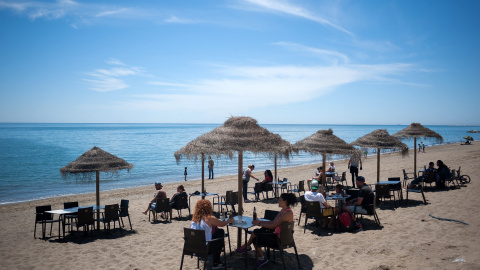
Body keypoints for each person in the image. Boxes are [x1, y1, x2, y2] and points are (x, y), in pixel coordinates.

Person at [235, 193, 297, 268]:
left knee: (256, 233)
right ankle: (256, 254)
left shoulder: (288, 213)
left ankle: (250, 249)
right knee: (256, 235)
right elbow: (273, 222)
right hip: (277, 236)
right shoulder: (283, 211)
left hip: (280, 240)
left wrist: (260, 223)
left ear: (285, 201)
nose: (278, 201)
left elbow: (273, 226)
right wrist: (259, 222)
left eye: (280, 199)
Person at [190, 199, 233, 269]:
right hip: (205, 249)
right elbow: (222, 224)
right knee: (220, 232)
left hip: (193, 248)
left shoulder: (193, 220)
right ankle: (216, 263)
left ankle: (216, 262)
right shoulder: (209, 218)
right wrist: (229, 221)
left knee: (215, 234)